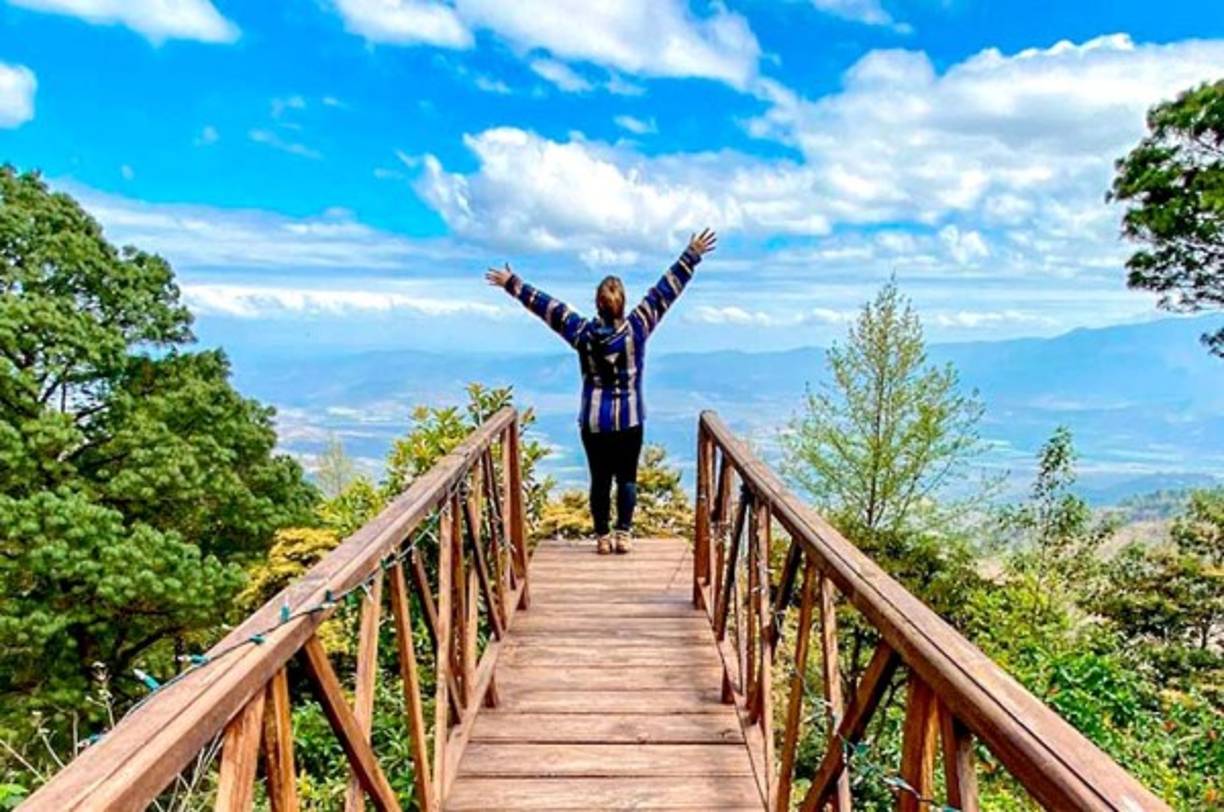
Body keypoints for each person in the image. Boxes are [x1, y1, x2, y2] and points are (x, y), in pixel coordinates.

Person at [486, 228, 717, 554]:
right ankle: (623, 533)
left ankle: (602, 537)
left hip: (594, 422)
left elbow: (548, 308)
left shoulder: (582, 333)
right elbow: (664, 292)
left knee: (599, 479)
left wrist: (513, 283)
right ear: (622, 303)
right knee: (627, 477)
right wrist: (691, 254)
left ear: (597, 304)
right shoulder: (638, 328)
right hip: (630, 419)